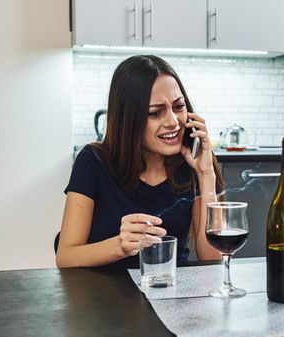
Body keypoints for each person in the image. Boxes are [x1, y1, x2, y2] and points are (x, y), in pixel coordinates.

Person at [56, 55, 223, 269]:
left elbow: (212, 261)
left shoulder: (194, 166)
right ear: (129, 119)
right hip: (104, 296)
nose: (173, 122)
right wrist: (120, 245)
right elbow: (65, 257)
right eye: (155, 113)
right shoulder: (93, 161)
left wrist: (206, 175)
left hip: (170, 292)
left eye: (178, 107)